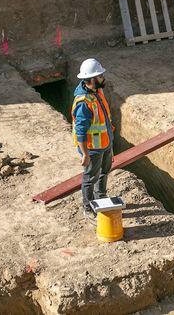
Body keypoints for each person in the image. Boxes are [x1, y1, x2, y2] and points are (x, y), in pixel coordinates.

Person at [72, 58, 114, 224]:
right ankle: (88, 208)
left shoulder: (97, 92)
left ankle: (101, 198)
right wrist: (84, 154)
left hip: (105, 143)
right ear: (91, 80)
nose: (103, 78)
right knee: (90, 178)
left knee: (104, 172)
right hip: (93, 148)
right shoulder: (83, 103)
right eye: (100, 76)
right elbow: (80, 131)